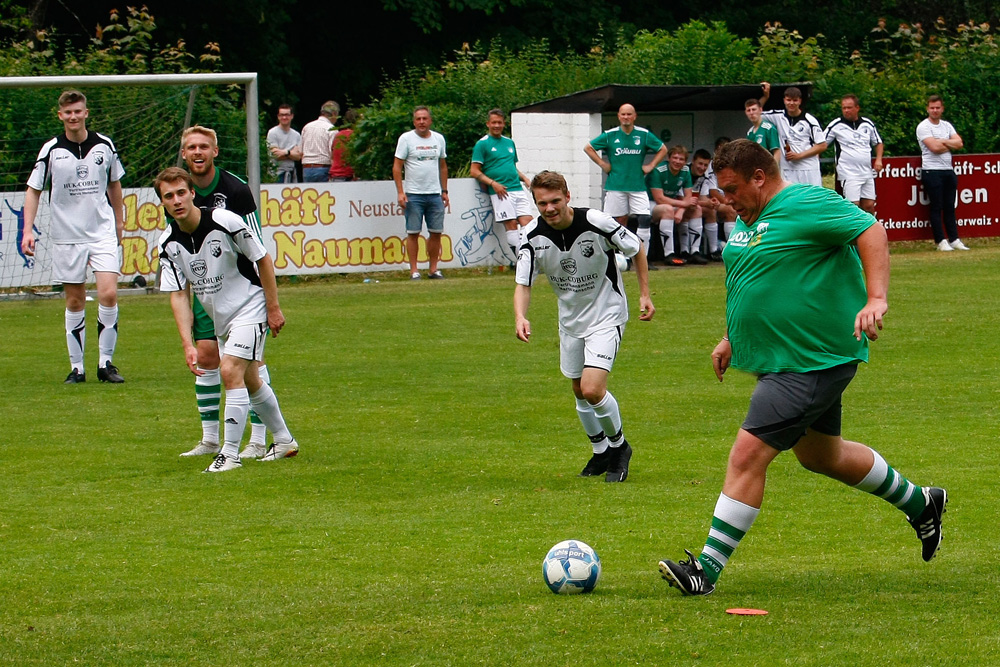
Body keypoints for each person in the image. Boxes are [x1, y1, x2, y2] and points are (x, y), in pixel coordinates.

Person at [658, 139, 947, 596]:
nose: (725, 199)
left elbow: (870, 231)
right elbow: (758, 275)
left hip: (812, 360)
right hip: (781, 358)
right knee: (821, 456)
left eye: (732, 189)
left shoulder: (807, 201)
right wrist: (734, 334)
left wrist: (876, 298)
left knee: (747, 455)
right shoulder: (751, 219)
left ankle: (706, 570)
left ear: (759, 177)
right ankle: (921, 501)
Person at [154, 167, 298, 472]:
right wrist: (186, 344)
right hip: (222, 319)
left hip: (250, 307)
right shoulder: (167, 243)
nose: (177, 200)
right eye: (169, 196)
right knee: (251, 380)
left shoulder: (225, 221)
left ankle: (229, 454)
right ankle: (284, 440)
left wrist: (273, 307)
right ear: (163, 203)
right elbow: (179, 295)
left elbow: (262, 258)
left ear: (192, 193)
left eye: (182, 192)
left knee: (229, 369)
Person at [515, 170, 655, 483]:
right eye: (542, 203)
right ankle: (600, 451)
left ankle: (620, 448)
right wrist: (520, 316)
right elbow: (523, 282)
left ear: (566, 196)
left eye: (554, 201)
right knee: (578, 389)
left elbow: (637, 248)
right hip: (570, 321)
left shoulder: (597, 221)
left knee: (593, 388)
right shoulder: (531, 235)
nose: (549, 208)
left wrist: (644, 294)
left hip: (607, 316)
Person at [177, 125, 271, 460]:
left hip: (241, 290)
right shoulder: (177, 193)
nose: (198, 152)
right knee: (206, 357)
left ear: (215, 151)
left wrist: (267, 302)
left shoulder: (236, 190)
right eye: (191, 147)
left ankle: (258, 439)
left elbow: (257, 248)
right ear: (184, 154)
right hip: (206, 290)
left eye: (204, 146)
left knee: (250, 365)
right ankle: (210, 439)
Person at [21, 89, 125, 384]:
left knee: (108, 293)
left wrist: (119, 221)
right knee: (75, 300)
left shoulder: (104, 145)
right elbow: (34, 189)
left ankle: (105, 364)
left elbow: (115, 184)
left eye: (78, 111)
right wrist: (27, 230)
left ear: (86, 113)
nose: (73, 116)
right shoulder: (51, 149)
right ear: (60, 116)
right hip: (67, 236)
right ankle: (77, 367)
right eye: (68, 112)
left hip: (101, 231)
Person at [584, 103, 668, 227]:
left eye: (629, 114)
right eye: (623, 114)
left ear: (634, 116)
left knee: (644, 219)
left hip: (637, 185)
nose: (626, 117)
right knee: (615, 221)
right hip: (616, 185)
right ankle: (618, 246)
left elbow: (663, 149)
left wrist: (651, 166)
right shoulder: (610, 135)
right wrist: (603, 164)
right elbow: (588, 148)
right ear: (618, 116)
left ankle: (643, 246)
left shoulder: (643, 134)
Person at [393, 105, 448, 280]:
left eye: (425, 118)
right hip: (413, 194)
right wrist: (401, 192)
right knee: (413, 232)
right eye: (418, 119)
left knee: (436, 232)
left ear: (430, 120)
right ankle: (414, 270)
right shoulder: (406, 139)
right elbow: (397, 167)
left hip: (434, 193)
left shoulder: (439, 139)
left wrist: (444, 190)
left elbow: (443, 166)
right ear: (414, 121)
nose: (422, 122)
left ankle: (433, 269)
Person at [470, 108, 533, 257]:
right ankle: (522, 260)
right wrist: (493, 183)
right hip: (501, 191)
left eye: (499, 122)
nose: (497, 125)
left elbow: (512, 167)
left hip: (517, 188)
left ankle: (529, 255)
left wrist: (524, 179)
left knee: (528, 223)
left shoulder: (509, 143)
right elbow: (474, 171)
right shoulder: (482, 144)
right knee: (511, 224)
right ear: (488, 124)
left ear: (504, 124)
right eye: (494, 123)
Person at [916, 95, 969, 252]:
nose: (935, 110)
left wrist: (943, 141)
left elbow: (959, 143)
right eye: (932, 108)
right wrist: (948, 143)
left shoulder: (946, 126)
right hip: (931, 171)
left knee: (949, 206)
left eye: (937, 108)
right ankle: (940, 240)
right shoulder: (923, 126)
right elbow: (934, 148)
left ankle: (954, 239)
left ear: (942, 109)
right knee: (936, 206)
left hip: (948, 170)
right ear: (927, 109)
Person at [824, 95, 884, 214]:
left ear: (857, 108)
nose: (846, 110)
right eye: (844, 108)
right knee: (853, 206)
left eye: (849, 108)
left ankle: (871, 231)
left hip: (866, 171)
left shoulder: (867, 124)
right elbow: (821, 143)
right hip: (848, 172)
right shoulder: (836, 125)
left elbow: (878, 143)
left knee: (869, 205)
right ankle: (854, 232)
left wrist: (878, 160)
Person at [759, 82, 827, 186]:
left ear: (800, 101)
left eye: (795, 100)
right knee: (791, 199)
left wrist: (799, 155)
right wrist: (766, 96)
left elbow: (822, 145)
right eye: (788, 100)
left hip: (808, 169)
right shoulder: (778, 116)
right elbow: (756, 113)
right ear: (784, 100)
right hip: (788, 170)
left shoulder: (810, 120)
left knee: (811, 200)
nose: (791, 103)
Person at [647, 145, 705, 265]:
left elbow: (688, 196)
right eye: (675, 158)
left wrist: (681, 210)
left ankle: (693, 252)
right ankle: (669, 254)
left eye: (681, 159)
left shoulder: (685, 171)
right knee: (668, 209)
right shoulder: (659, 170)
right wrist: (683, 204)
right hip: (649, 203)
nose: (677, 161)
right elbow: (659, 198)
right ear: (669, 158)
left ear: (685, 161)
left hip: (671, 202)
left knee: (697, 209)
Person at [300, 101, 338, 183]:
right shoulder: (331, 129)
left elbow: (301, 151)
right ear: (334, 114)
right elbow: (333, 152)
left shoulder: (307, 127)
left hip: (306, 169)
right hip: (323, 168)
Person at [266, 104, 302, 184]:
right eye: (282, 115)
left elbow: (298, 156)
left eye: (287, 115)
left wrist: (285, 152)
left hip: (292, 173)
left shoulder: (296, 135)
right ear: (278, 116)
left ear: (292, 116)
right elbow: (275, 155)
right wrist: (291, 152)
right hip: (276, 174)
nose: (284, 117)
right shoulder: (272, 133)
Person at [744, 98, 780, 166]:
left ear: (760, 110)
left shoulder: (769, 128)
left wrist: (773, 170)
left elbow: (777, 152)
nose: (751, 113)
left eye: (754, 109)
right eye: (749, 110)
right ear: (746, 113)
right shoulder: (750, 132)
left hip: (767, 169)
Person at [329, 109, 358, 182]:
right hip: (350, 174)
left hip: (336, 174)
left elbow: (333, 155)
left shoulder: (338, 135)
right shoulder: (356, 136)